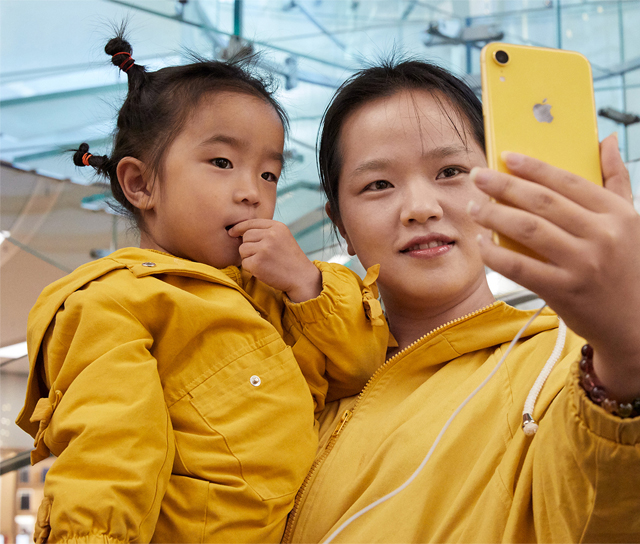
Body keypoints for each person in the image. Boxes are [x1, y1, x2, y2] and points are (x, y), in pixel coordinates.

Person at [282, 60, 640, 543]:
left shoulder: (569, 368)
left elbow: (622, 509)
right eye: (378, 184)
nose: (421, 207)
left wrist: (635, 349)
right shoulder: (299, 374)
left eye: (451, 171)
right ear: (340, 223)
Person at [15, 34, 387, 543]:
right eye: (221, 163)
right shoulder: (114, 301)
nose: (251, 192)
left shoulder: (271, 294)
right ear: (140, 184)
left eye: (269, 173)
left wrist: (307, 284)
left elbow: (360, 370)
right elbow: (110, 449)